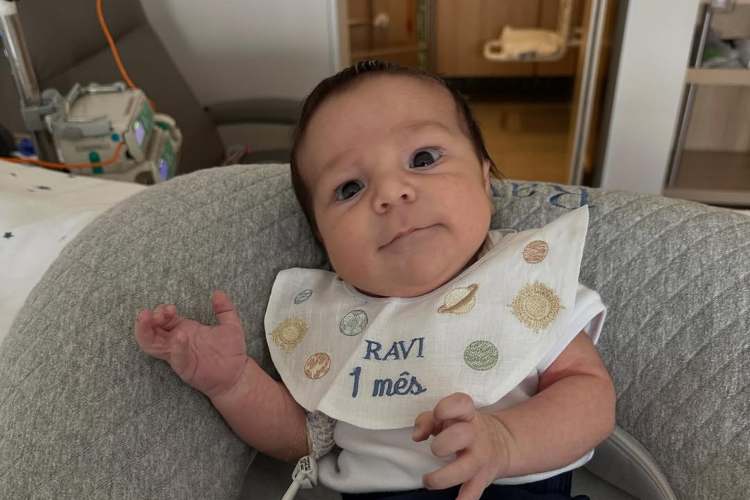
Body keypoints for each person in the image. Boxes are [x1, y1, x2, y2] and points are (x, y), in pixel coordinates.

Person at [134, 60, 615, 500]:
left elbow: (589, 396)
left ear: (484, 180)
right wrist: (233, 383)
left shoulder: (524, 280)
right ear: (323, 239)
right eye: (349, 188)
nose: (390, 192)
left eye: (423, 158)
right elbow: (301, 439)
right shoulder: (337, 322)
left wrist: (507, 440)